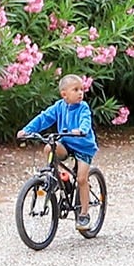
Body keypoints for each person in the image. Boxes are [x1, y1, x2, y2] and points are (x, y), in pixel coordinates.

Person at [19, 74, 99, 209]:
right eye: (76, 90)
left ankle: (84, 213)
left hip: (83, 147)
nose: (80, 93)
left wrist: (81, 130)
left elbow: (85, 120)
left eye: (81, 89)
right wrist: (27, 130)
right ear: (64, 94)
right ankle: (59, 177)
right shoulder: (59, 107)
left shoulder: (83, 107)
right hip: (66, 143)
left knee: (81, 179)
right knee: (49, 148)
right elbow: (44, 118)